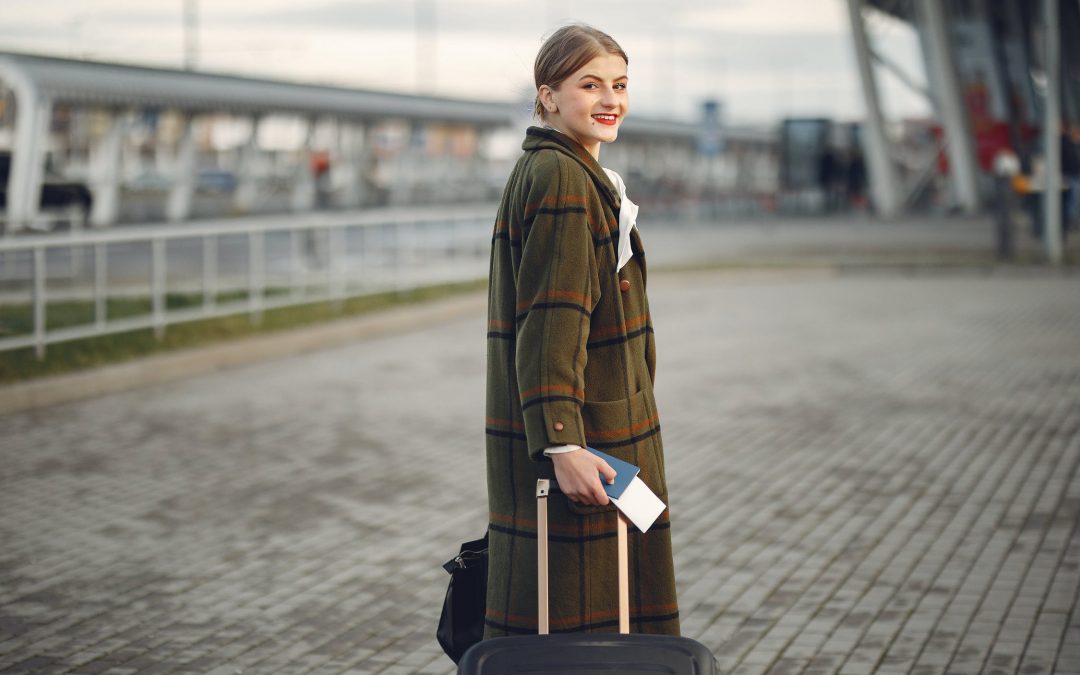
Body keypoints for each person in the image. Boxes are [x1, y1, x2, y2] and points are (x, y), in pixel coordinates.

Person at [483, 24, 680, 638]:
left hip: (598, 430)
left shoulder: (562, 169)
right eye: (589, 85)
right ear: (548, 96)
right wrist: (563, 444)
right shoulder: (564, 179)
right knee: (583, 628)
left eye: (619, 85)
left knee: (585, 616)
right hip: (591, 439)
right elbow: (552, 320)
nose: (610, 100)